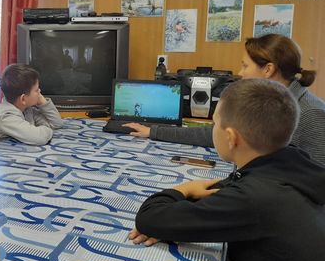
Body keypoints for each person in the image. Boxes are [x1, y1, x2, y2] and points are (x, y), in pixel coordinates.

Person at [129, 79, 325, 261]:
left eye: (215, 124)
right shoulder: (291, 161)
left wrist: (182, 190)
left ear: (231, 137)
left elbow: (149, 218)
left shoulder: (255, 198)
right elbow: (230, 190)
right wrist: (178, 218)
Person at [125, 34, 325, 165]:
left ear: (268, 69)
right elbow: (213, 135)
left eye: (245, 66)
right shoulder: (263, 103)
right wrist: (153, 131)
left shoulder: (312, 114)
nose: (240, 73)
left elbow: (317, 185)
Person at [0, 64, 63, 147]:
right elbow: (39, 137)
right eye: (36, 90)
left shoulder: (26, 109)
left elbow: (56, 123)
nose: (39, 92)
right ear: (23, 99)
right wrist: (47, 129)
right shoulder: (6, 116)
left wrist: (43, 103)